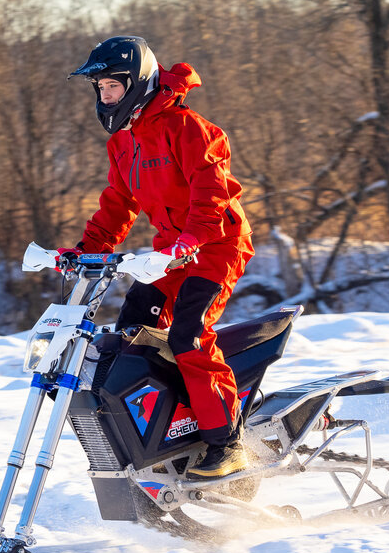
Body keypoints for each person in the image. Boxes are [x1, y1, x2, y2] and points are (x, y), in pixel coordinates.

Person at [63, 35, 254, 479]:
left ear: (136, 83)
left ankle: (226, 442)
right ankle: (167, 432)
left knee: (189, 335)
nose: (104, 96)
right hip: (171, 251)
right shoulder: (125, 144)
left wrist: (185, 245)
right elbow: (117, 205)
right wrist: (85, 253)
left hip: (215, 246)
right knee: (133, 331)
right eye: (100, 89)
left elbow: (211, 204)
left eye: (111, 86)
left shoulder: (192, 130)